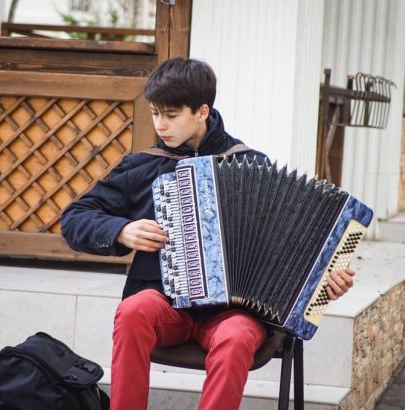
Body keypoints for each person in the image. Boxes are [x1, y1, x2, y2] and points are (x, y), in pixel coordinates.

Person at [61, 57, 355, 410]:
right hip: (165, 304)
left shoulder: (250, 166)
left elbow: (296, 246)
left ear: (202, 111)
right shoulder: (142, 167)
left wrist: (326, 281)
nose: (160, 125)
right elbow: (74, 218)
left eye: (171, 115)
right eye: (155, 113)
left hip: (231, 314)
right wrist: (121, 230)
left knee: (237, 336)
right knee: (132, 312)